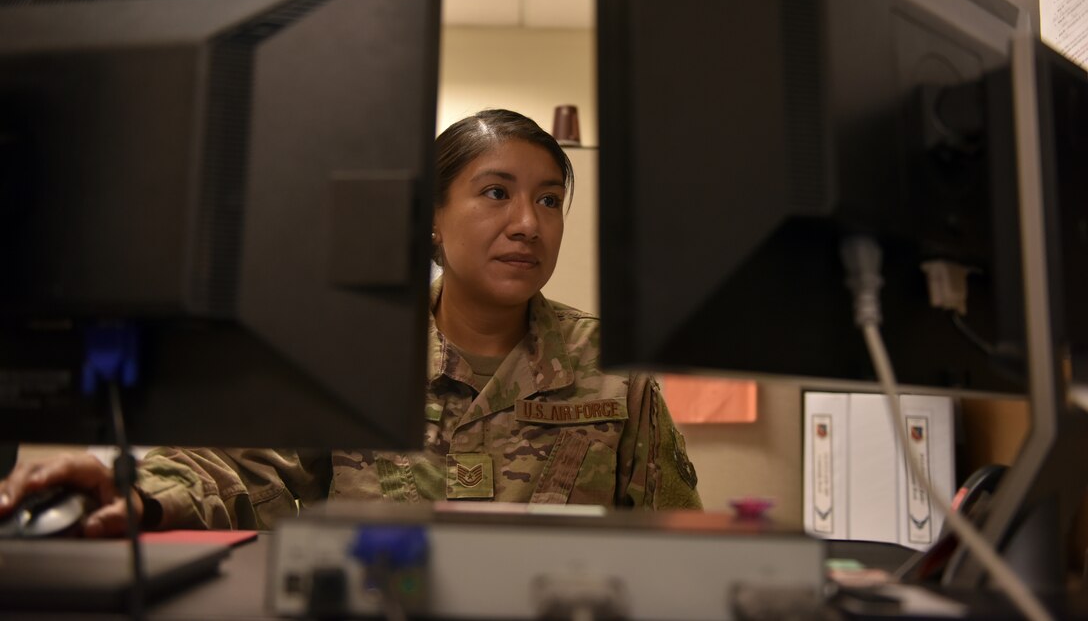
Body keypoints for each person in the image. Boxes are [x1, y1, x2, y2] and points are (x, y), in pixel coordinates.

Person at [0, 109, 701, 534]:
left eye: (550, 201)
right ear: (430, 219)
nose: (527, 223)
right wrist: (132, 495)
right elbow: (234, 471)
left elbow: (680, 532)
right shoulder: (357, 352)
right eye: (496, 193)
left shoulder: (612, 365)